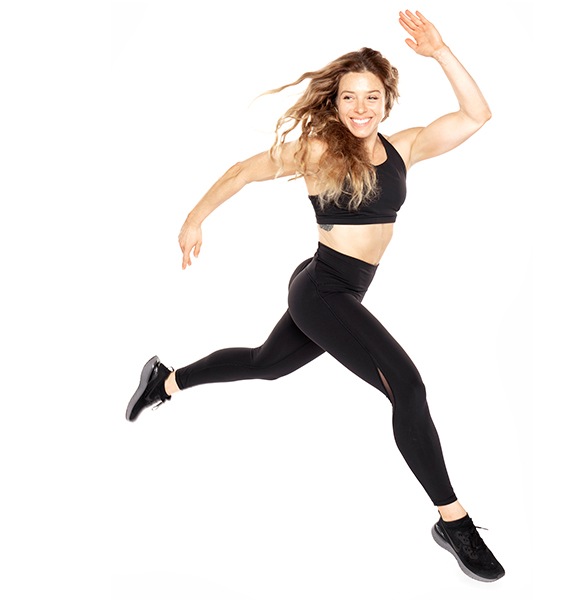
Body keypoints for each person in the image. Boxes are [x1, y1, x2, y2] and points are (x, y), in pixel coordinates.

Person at [126, 10, 504, 583]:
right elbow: (240, 172)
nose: (360, 108)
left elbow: (478, 115)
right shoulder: (317, 152)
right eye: (349, 97)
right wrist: (193, 219)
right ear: (335, 103)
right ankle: (453, 520)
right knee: (407, 385)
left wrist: (442, 51)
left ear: (386, 100)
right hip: (323, 288)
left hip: (343, 288)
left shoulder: (405, 148)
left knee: (267, 364)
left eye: (371, 97)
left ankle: (165, 380)